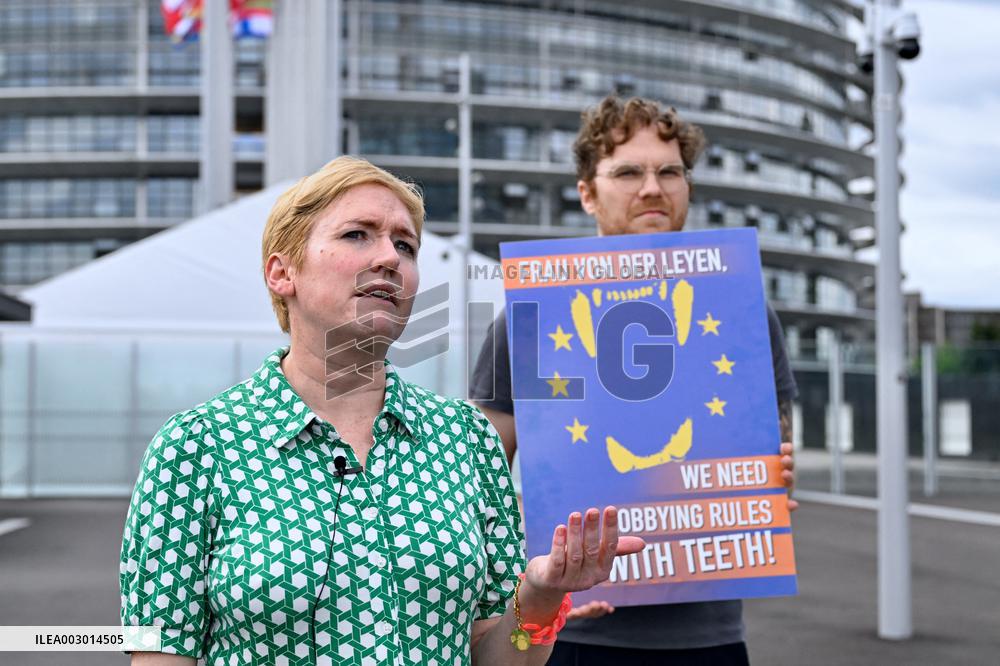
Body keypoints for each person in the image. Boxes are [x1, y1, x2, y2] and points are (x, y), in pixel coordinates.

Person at [119, 156, 644, 666]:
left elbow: (498, 657)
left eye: (405, 245)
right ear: (282, 273)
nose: (390, 258)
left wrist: (539, 597)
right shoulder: (194, 448)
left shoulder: (467, 441)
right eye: (356, 235)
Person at [469, 95, 799, 666]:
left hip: (709, 636)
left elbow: (780, 448)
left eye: (669, 171)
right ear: (587, 192)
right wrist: (527, 574)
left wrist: (775, 473)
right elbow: (479, 480)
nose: (653, 188)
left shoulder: (741, 308)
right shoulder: (539, 316)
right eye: (628, 171)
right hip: (574, 635)